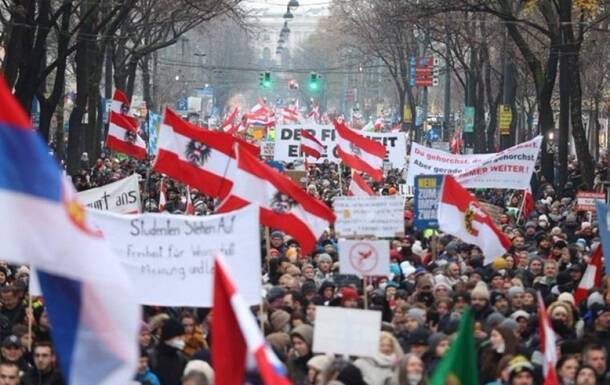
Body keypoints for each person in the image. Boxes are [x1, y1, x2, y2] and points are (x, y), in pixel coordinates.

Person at [150, 318, 188, 385]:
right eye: (179, 336)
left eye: (183, 336)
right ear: (169, 336)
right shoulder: (152, 356)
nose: (183, 339)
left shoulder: (181, 357)